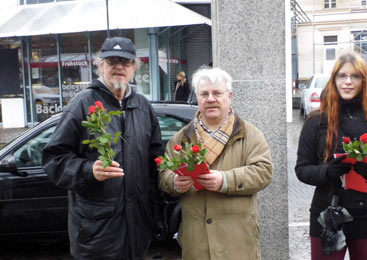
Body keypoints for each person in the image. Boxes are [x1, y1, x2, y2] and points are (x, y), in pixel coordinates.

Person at [42, 37, 164, 260]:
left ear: (134, 68)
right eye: (112, 61)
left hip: (137, 228)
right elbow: (54, 160)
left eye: (125, 62)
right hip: (96, 232)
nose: (119, 67)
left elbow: (155, 163)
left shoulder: (143, 107)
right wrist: (88, 170)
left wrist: (156, 215)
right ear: (100, 65)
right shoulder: (81, 104)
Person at [295, 53, 367, 260]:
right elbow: (302, 169)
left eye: (355, 76)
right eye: (342, 76)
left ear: (364, 80)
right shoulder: (317, 120)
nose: (348, 82)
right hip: (327, 215)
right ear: (334, 79)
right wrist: (327, 171)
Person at [158, 67, 274, 260]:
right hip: (196, 244)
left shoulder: (249, 134)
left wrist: (226, 180)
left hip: (237, 242)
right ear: (197, 97)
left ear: (229, 96)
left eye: (217, 93)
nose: (210, 99)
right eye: (204, 94)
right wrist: (175, 183)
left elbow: (264, 172)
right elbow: (164, 175)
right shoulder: (181, 138)